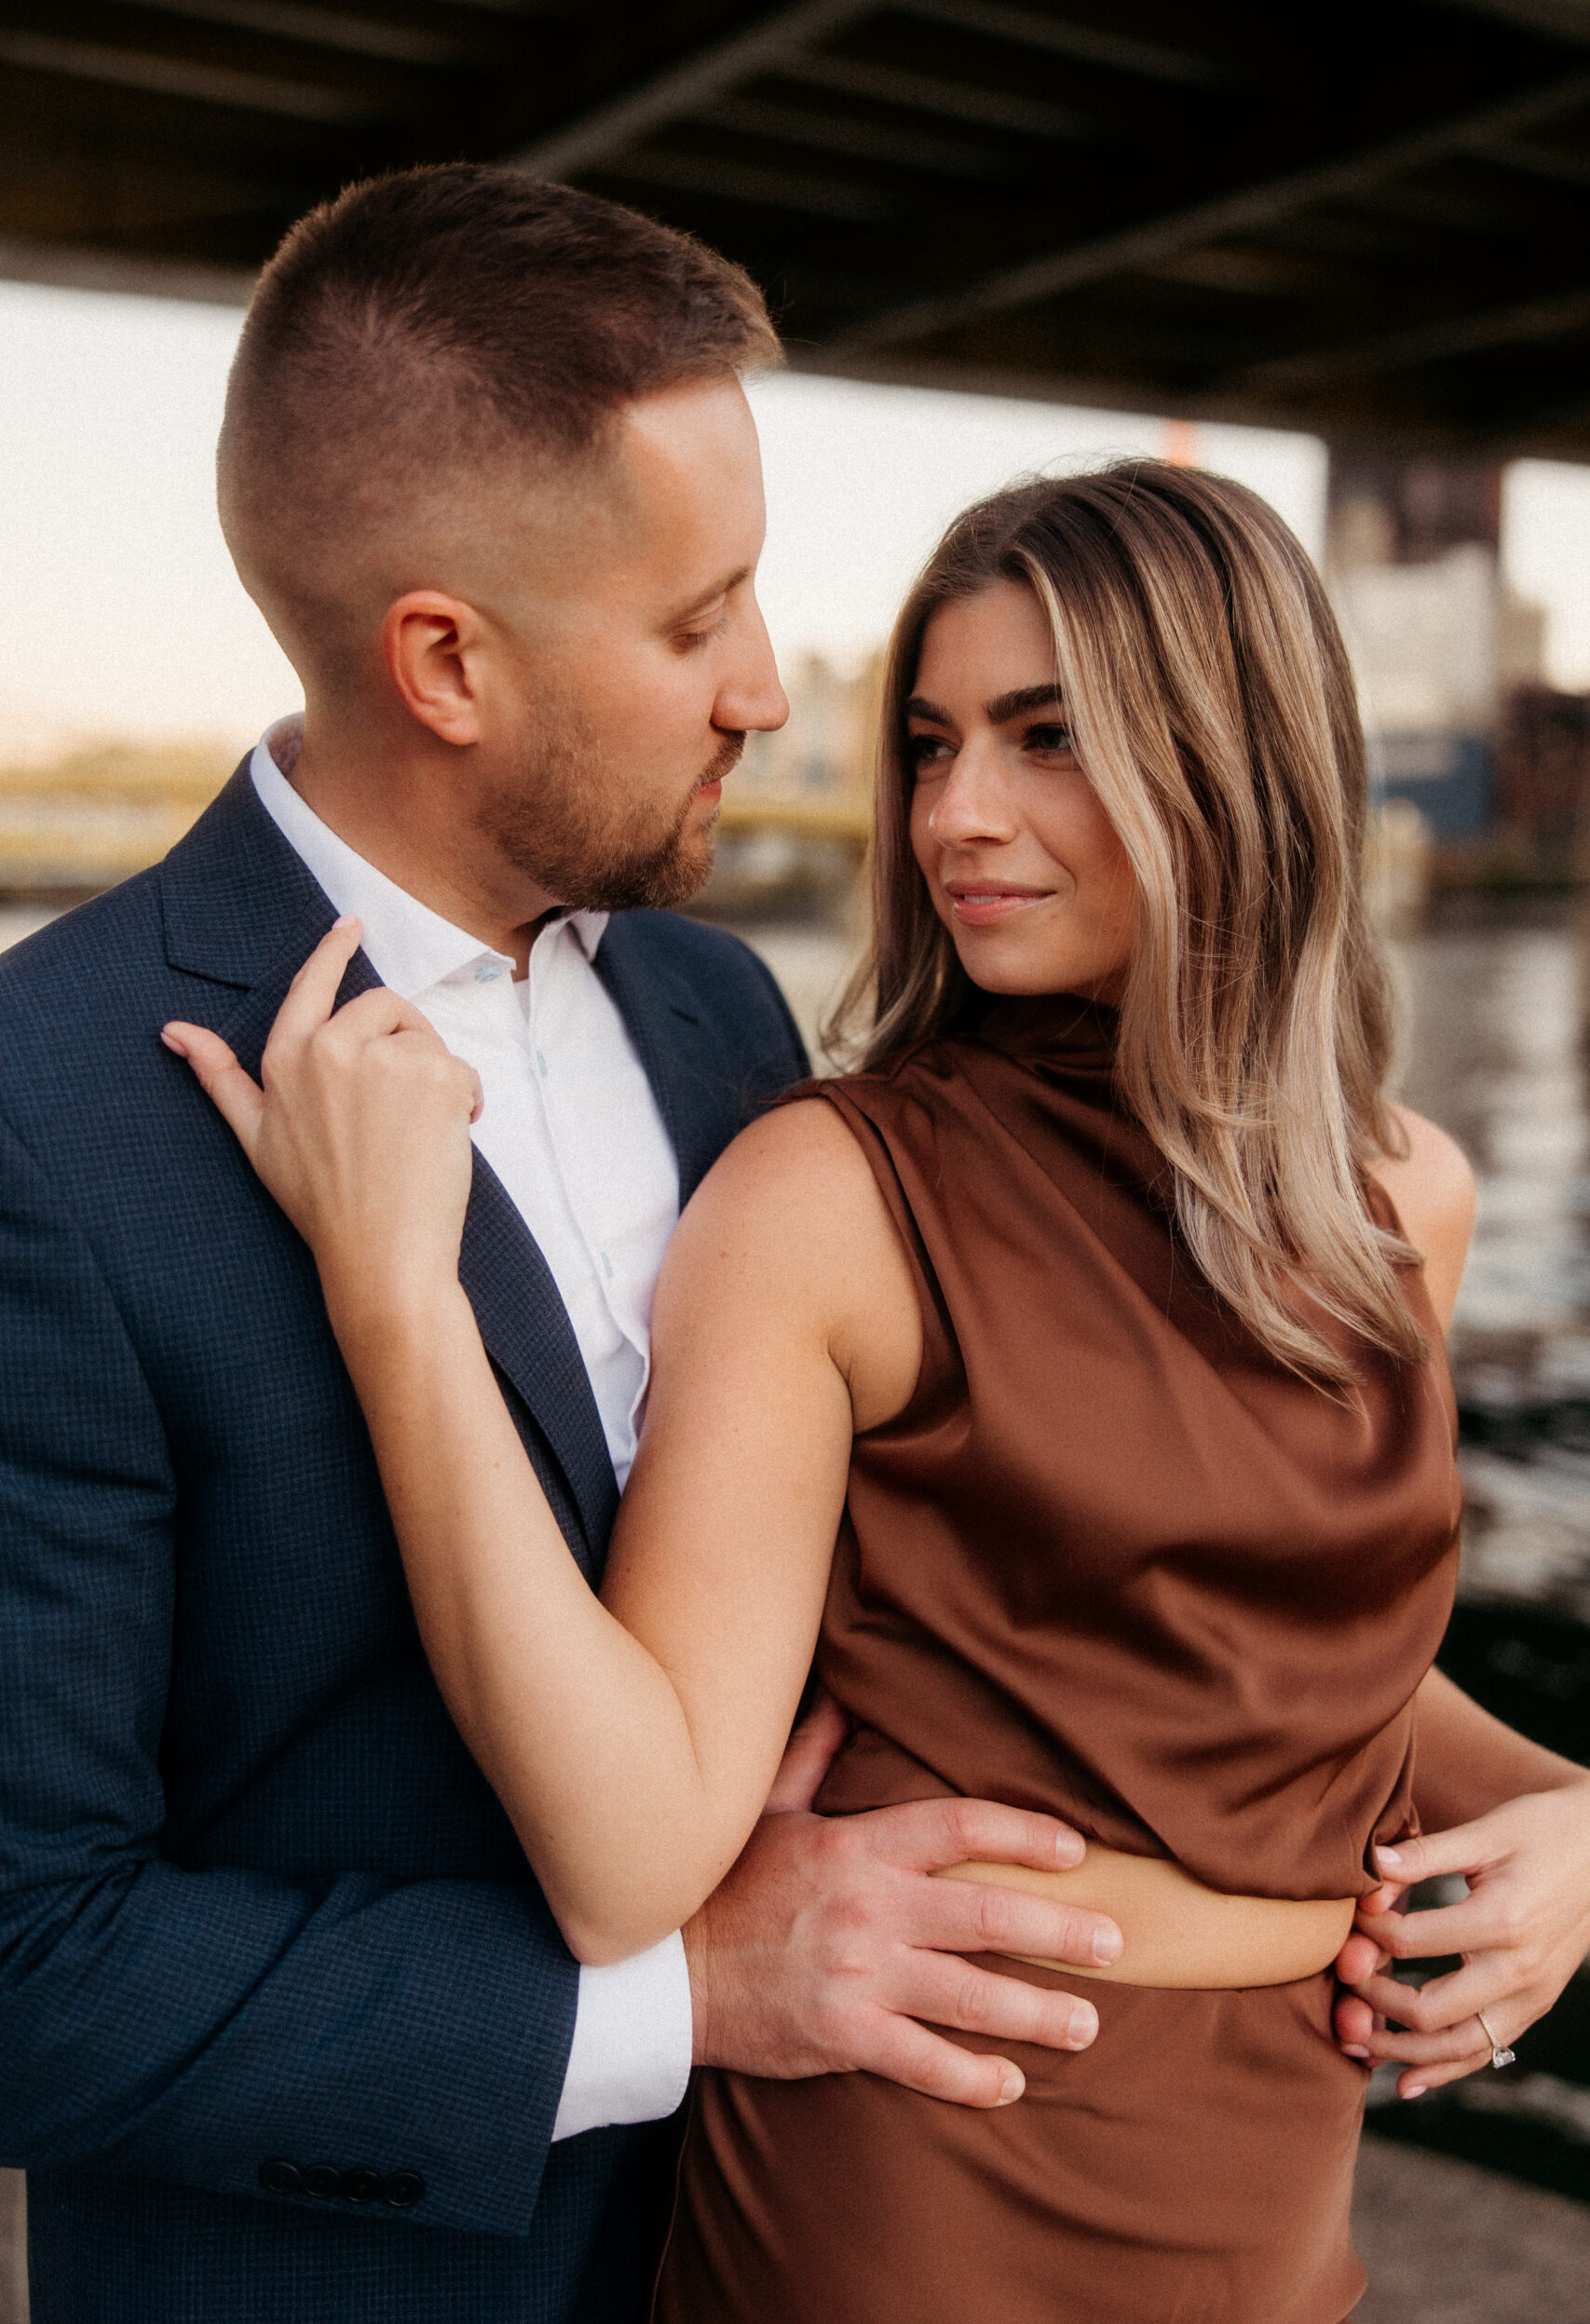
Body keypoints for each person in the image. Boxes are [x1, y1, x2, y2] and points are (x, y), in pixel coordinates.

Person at [174, 459, 1590, 2323]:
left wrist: (1570, 1811)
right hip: (923, 2172)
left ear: (1231, 756)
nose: (955, 816)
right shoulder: (831, 1195)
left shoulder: (1396, 1188)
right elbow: (627, 1853)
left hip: (1272, 2167)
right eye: (928, 742)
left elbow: (1278, 1649)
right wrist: (395, 1298)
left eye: (1042, 734)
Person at [0, 170, 1132, 2324]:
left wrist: (1501, 1805)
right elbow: (21, 1963)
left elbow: (971, 1542)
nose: (769, 696)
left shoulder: (712, 1009)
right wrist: (686, 1991)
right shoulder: (40, 1120)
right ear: (446, 657)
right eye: (698, 617)